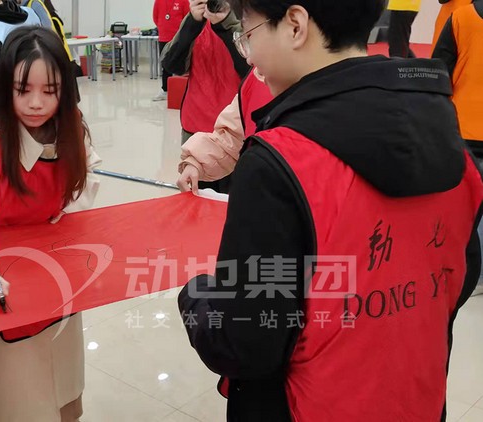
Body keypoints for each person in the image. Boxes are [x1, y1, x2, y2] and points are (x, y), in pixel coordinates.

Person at [178, 0, 483, 421]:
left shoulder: (277, 163)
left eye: (247, 33)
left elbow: (246, 344)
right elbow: (458, 277)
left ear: (295, 25)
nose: (247, 53)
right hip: (419, 398)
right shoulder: (450, 144)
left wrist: (196, 297)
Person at [0, 27, 101, 422]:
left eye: (50, 90)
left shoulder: (72, 129)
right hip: (4, 291)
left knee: (64, 396)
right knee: (14, 402)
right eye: (23, 89)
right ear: (5, 86)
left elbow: (85, 181)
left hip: (57, 286)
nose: (36, 103)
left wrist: (62, 228)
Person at [161, 0, 249, 193]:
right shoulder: (196, 21)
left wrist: (224, 24)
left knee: (237, 199)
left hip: (235, 133)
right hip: (196, 129)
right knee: (198, 201)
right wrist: (192, 22)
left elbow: (252, 70)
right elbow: (171, 65)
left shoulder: (247, 18)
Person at [434, 0, 483, 297]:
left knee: (464, 211)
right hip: (463, 131)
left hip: (464, 128)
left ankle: (468, 275)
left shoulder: (461, 18)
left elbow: (440, 72)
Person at [176, 67, 272, 192]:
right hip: (256, 192)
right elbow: (231, 136)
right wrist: (196, 162)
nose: (249, 61)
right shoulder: (257, 78)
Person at [152, 0, 190, 101]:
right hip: (164, 38)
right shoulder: (158, 1)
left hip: (178, 38)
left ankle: (181, 91)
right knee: (165, 65)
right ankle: (165, 90)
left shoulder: (183, 1)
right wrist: (162, 27)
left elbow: (187, 18)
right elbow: (155, 17)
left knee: (181, 64)